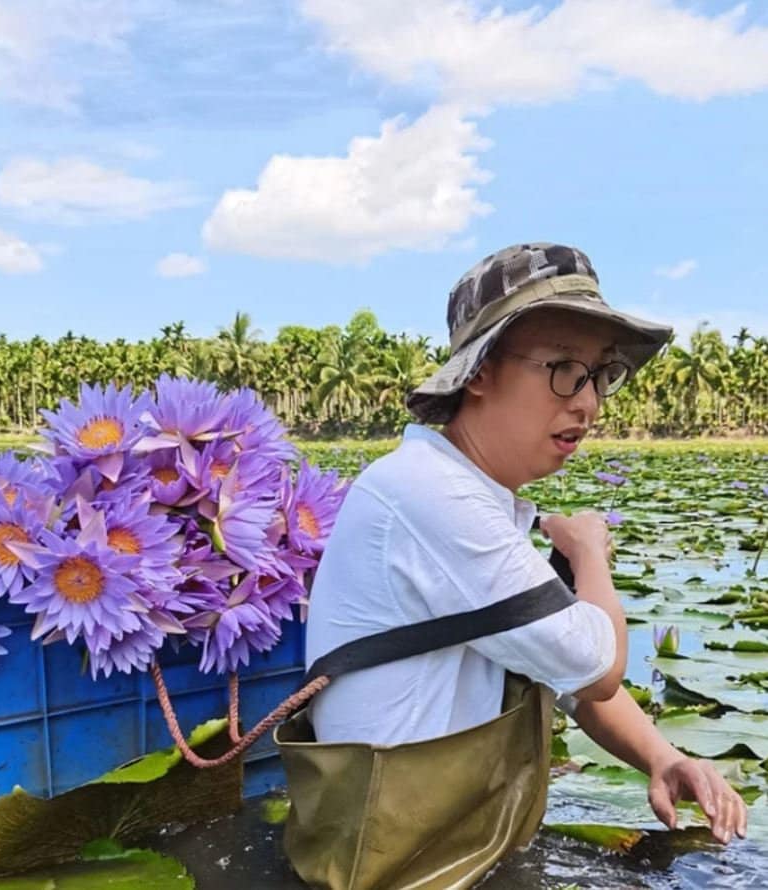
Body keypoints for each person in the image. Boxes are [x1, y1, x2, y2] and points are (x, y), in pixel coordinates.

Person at [299, 243, 747, 882]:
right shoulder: (430, 494)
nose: (588, 404)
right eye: (564, 368)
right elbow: (596, 667)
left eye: (600, 374)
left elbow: (564, 675)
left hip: (462, 843)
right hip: (405, 867)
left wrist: (662, 757)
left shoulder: (471, 497)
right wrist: (590, 552)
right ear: (478, 371)